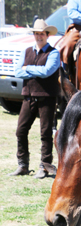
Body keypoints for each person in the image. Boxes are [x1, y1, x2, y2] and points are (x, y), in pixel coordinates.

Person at [9, 19, 60, 178]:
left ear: (47, 35)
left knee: (45, 133)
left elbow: (47, 72)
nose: (38, 36)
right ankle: (23, 165)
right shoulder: (26, 51)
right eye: (36, 33)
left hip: (47, 97)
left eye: (41, 34)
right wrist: (34, 70)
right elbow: (18, 72)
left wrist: (28, 68)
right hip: (29, 96)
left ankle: (45, 166)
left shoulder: (54, 53)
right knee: (20, 131)